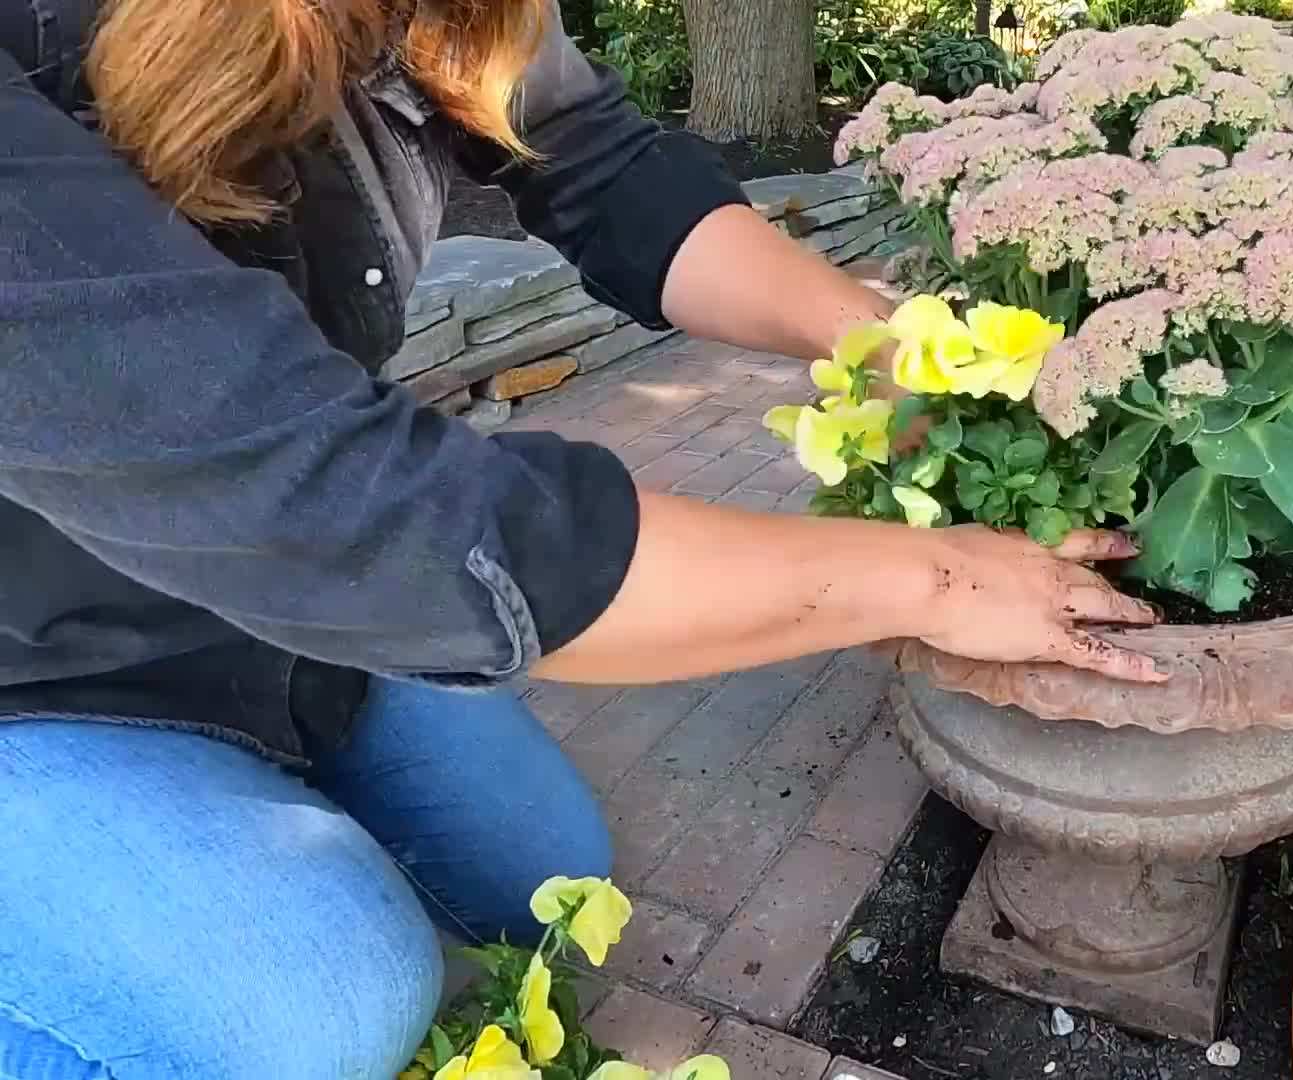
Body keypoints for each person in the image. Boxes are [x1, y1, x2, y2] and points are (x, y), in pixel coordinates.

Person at [0, 2, 1163, 1076]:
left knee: (547, 883)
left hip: (291, 615)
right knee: (331, 1008)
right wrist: (934, 576)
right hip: (46, 656)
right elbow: (354, 507)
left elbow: (595, 157)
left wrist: (876, 339)